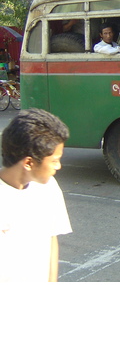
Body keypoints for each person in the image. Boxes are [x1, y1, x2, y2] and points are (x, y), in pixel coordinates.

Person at [0, 108, 72, 283]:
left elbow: (51, 238)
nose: (59, 166)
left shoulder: (48, 188)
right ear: (29, 163)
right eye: (54, 161)